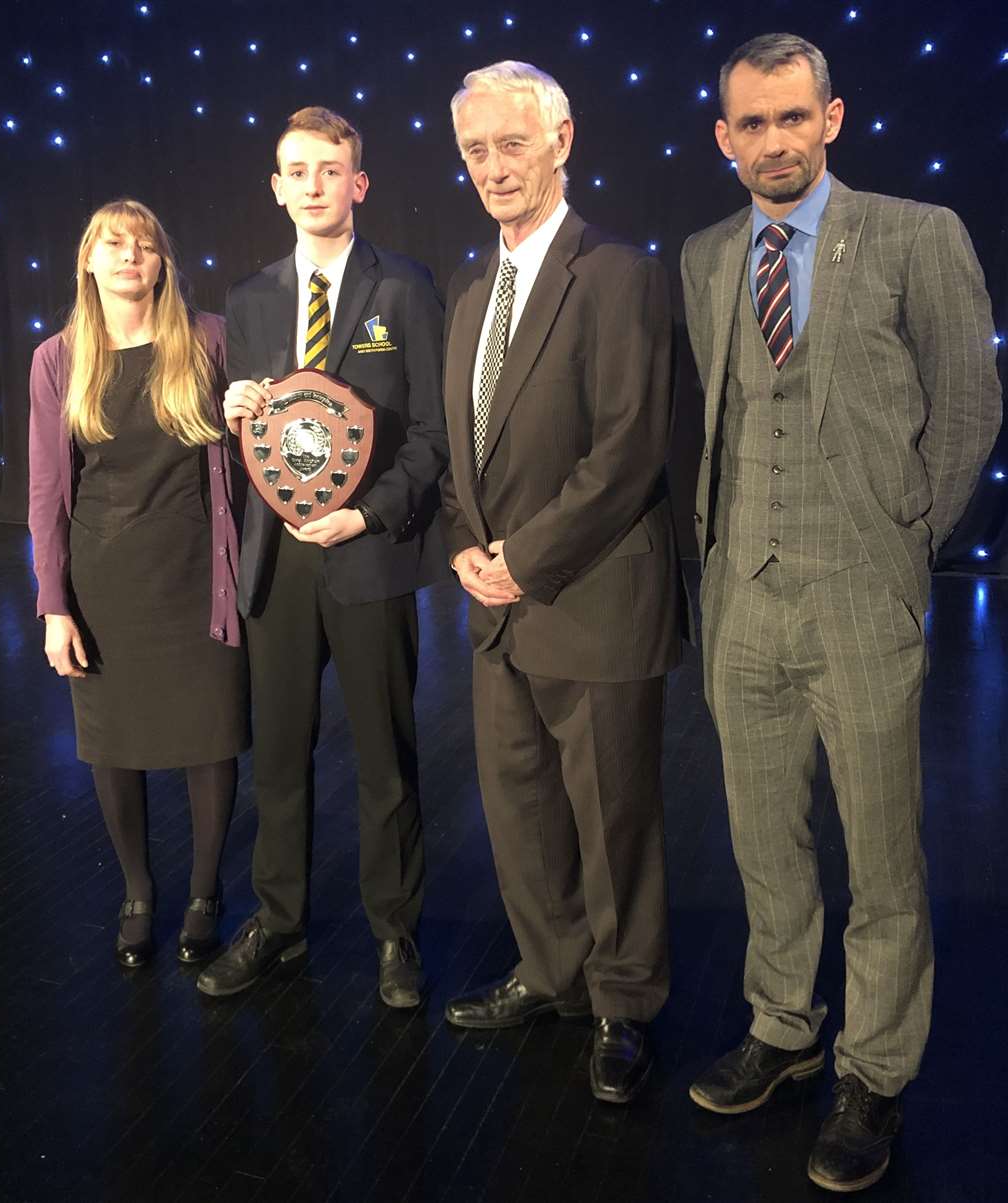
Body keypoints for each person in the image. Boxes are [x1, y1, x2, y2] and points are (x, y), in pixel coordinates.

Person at [681, 32, 1002, 1192]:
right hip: (742, 602)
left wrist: (904, 546)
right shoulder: (707, 254)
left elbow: (967, 409)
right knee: (766, 839)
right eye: (749, 124)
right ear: (725, 140)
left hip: (863, 593)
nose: (772, 140)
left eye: (791, 118)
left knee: (881, 851)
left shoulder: (919, 235)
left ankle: (875, 1068)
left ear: (832, 119)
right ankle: (783, 1025)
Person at [439, 61, 687, 1104]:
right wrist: (463, 543)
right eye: (475, 150)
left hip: (592, 600)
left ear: (562, 140)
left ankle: (624, 1005)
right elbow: (469, 456)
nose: (493, 167)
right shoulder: (467, 294)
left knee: (612, 816)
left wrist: (522, 560)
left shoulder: (620, 273)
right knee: (522, 809)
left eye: (511, 143)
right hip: (498, 610)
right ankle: (552, 974)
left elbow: (629, 453)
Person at [196, 107, 447, 1008]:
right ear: (276, 187)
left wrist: (371, 517)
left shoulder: (406, 287)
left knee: (385, 754)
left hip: (368, 555)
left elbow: (433, 433)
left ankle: (394, 932)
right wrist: (234, 419)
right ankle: (281, 922)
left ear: (358, 184)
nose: (313, 185)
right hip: (279, 563)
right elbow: (259, 444)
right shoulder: (253, 298)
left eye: (329, 170)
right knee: (280, 759)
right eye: (296, 171)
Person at [28, 199, 249, 969]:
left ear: (163, 262)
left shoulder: (210, 338)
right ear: (88, 261)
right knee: (113, 744)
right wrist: (54, 605)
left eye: (145, 246)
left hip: (199, 574)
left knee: (210, 736)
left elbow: (252, 452)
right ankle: (137, 891)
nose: (130, 257)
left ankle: (204, 892)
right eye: (113, 245)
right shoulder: (58, 359)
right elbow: (47, 492)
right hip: (105, 585)